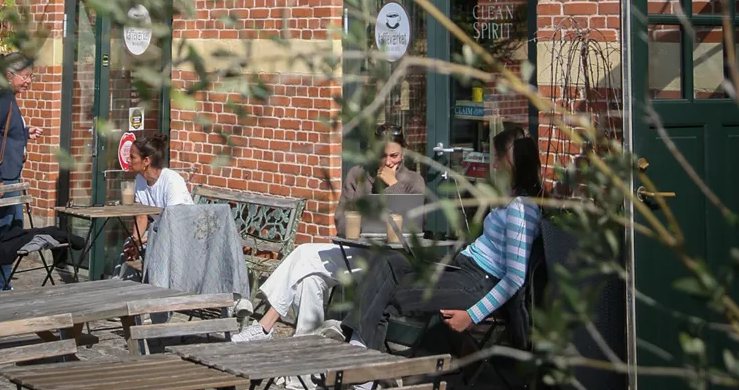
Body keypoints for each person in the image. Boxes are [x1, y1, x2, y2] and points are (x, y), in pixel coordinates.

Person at [339, 127, 541, 370]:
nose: (494, 165)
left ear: (513, 162)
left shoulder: (521, 209)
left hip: (478, 281)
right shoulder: (510, 198)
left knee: (386, 292)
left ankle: (360, 367)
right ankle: (357, 351)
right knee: (388, 259)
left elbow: (515, 278)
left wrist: (472, 315)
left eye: (498, 159)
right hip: (463, 268)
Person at [232, 122, 425, 343]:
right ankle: (302, 343)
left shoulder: (413, 181)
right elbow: (341, 223)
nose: (388, 162)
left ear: (403, 153)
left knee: (307, 272)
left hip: (389, 262)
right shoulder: (358, 175)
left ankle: (267, 328)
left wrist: (392, 186)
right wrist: (363, 226)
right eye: (382, 155)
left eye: (394, 156)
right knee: (307, 268)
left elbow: (415, 225)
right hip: (356, 253)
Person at [0, 52, 43, 293]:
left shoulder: (8, 98)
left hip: (11, 178)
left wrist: (24, 133)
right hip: (2, 180)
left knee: (11, 235)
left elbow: (3, 134)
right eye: (25, 76)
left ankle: (2, 285)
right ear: (9, 75)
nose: (29, 81)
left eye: (31, 76)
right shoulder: (1, 99)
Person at [122, 133, 193, 262]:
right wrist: (135, 240)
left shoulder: (171, 181)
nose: (128, 160)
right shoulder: (140, 180)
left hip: (182, 236)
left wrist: (143, 241)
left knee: (149, 248)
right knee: (127, 246)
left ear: (146, 161)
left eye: (132, 157)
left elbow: (174, 225)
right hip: (160, 233)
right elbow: (141, 216)